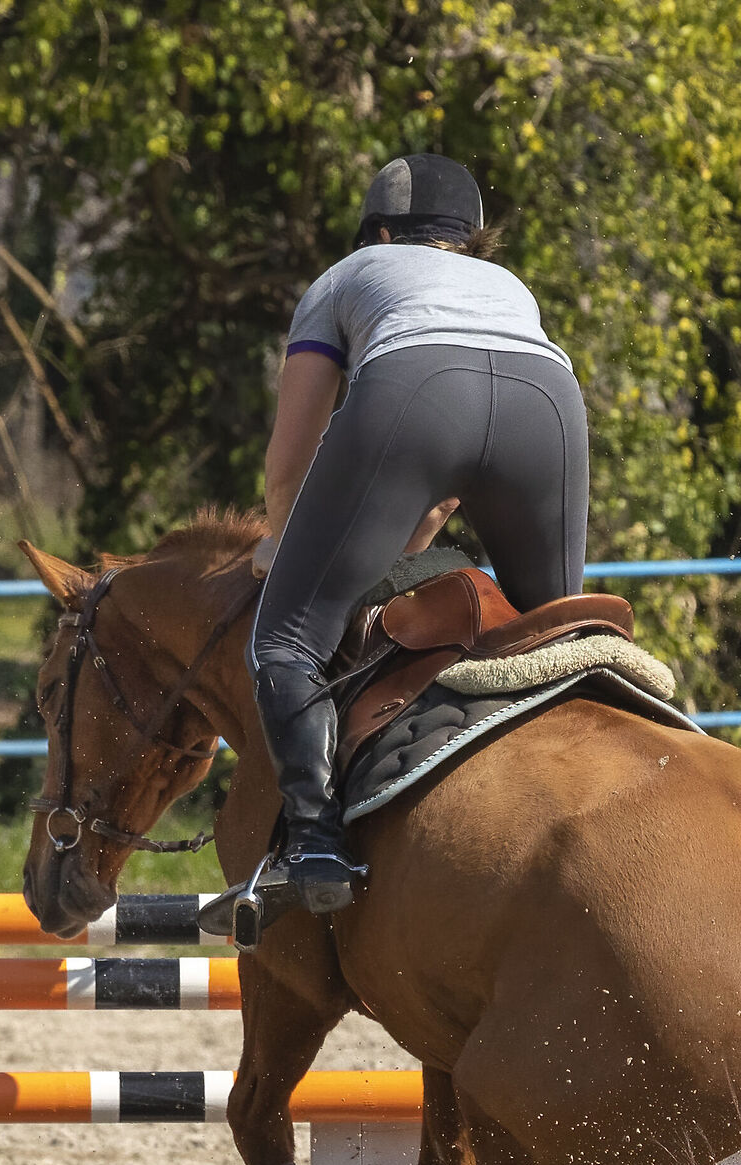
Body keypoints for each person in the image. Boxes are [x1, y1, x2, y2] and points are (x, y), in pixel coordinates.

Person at [225, 153, 589, 937]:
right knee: (562, 630)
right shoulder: (511, 290)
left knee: (285, 642)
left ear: (380, 232)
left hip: (418, 391)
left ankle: (315, 847)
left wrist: (283, 546)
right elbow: (451, 491)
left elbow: (290, 463)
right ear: (471, 241)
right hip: (549, 403)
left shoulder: (347, 275)